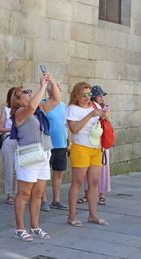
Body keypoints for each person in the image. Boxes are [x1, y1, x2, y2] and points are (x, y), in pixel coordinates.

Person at [11, 72, 60, 241]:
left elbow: (56, 99)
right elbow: (31, 107)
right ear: (18, 100)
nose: (30, 93)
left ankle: (35, 226)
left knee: (38, 193)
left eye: (31, 91)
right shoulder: (20, 112)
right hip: (29, 156)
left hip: (44, 154)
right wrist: (42, 87)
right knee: (24, 193)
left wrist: (50, 80)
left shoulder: (40, 110)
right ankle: (19, 229)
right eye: (26, 92)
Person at [66, 82, 108, 228]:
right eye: (83, 95)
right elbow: (74, 129)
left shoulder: (95, 106)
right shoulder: (72, 109)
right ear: (76, 95)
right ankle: (72, 216)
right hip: (81, 148)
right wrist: (90, 115)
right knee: (77, 183)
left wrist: (103, 115)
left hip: (96, 147)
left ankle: (93, 215)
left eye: (89, 94)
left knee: (94, 182)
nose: (87, 97)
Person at [78, 85, 111, 206]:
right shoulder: (88, 107)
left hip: (101, 141)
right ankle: (88, 194)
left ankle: (102, 195)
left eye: (102, 95)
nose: (101, 97)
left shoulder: (103, 108)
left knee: (103, 169)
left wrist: (105, 116)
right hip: (90, 141)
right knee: (88, 170)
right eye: (99, 95)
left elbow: (108, 124)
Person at [40, 82, 69, 212]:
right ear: (48, 90)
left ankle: (56, 200)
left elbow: (66, 125)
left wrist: (69, 142)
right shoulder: (43, 104)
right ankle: (43, 200)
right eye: (55, 87)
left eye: (59, 87)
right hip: (47, 144)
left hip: (62, 144)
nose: (59, 89)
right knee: (43, 174)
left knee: (58, 173)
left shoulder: (63, 106)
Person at [0, 88, 18, 205]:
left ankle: (20, 194)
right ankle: (9, 194)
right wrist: (13, 129)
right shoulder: (6, 110)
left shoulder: (24, 109)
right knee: (9, 168)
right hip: (9, 140)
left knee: (20, 168)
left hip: (21, 142)